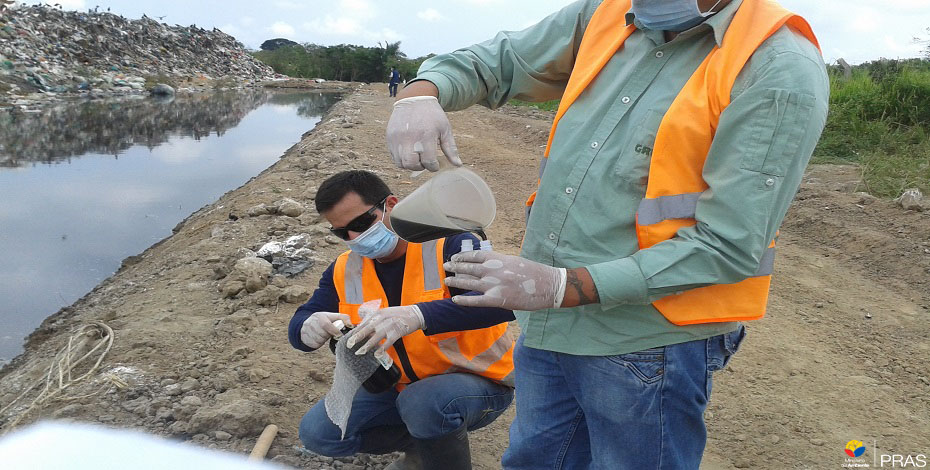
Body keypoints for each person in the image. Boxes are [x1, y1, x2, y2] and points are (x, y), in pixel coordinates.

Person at [384, 0, 829, 468]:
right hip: (548, 325)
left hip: (648, 341)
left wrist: (563, 286)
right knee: (534, 460)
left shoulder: (777, 67)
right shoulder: (607, 11)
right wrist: (421, 91)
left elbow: (728, 245)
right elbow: (504, 61)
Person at [288, 170, 515, 470]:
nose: (354, 238)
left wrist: (419, 315)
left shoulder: (450, 244)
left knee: (425, 404)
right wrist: (306, 327)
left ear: (391, 205)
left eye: (360, 223)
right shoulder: (344, 269)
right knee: (320, 433)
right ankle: (426, 446)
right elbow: (303, 320)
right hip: (399, 387)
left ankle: (438, 446)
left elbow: (501, 305)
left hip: (481, 381)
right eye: (342, 233)